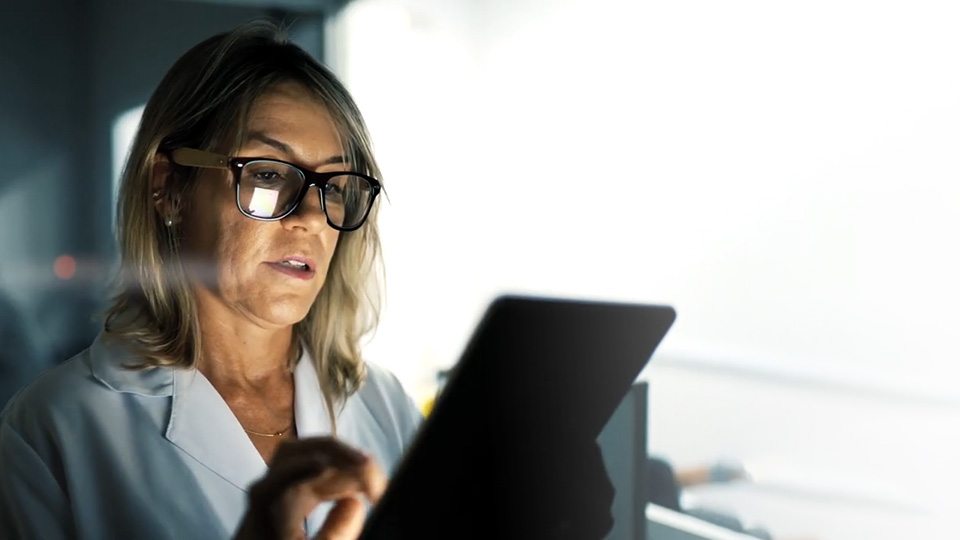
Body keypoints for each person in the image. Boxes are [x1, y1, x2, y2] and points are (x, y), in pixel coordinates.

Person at [0, 22, 422, 540]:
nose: (312, 216)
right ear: (170, 187)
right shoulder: (56, 427)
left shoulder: (383, 406)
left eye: (334, 186)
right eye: (267, 174)